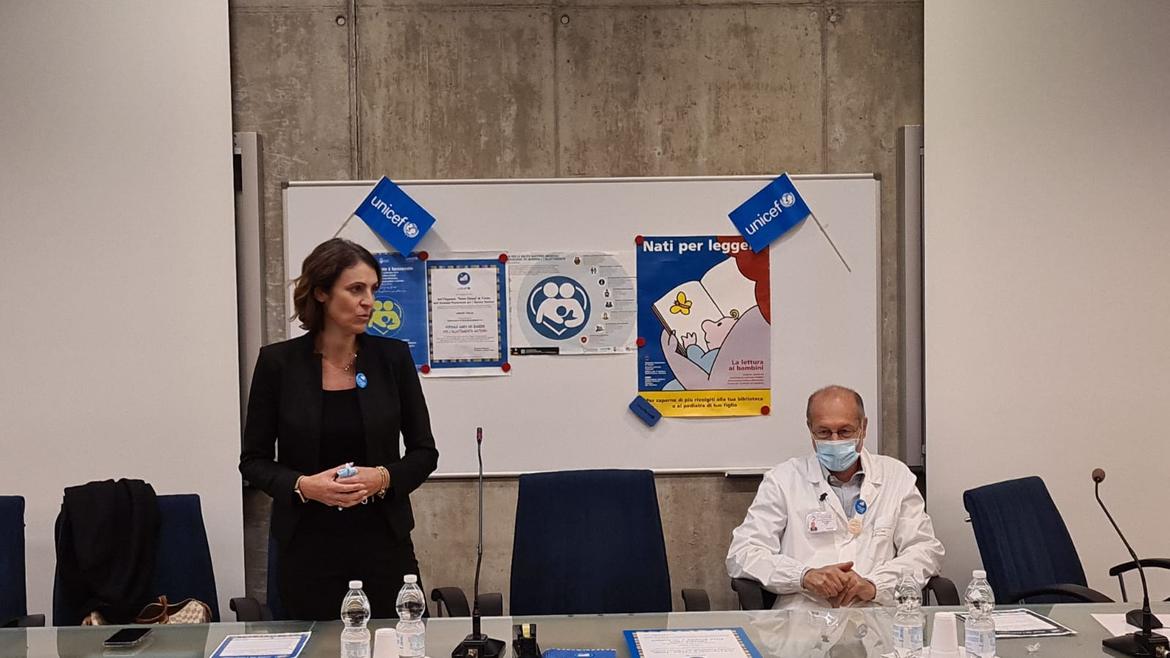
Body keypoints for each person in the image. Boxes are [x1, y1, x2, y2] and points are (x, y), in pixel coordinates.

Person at [240, 238, 439, 620]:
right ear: (321, 292)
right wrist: (304, 486)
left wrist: (382, 478)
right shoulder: (278, 364)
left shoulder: (392, 358)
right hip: (307, 548)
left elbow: (424, 453)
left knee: (401, 642)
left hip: (384, 543)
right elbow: (253, 461)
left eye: (373, 290)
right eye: (356, 289)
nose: (369, 301)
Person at [726, 385, 943, 610]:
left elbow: (925, 551)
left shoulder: (895, 476)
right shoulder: (782, 480)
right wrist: (803, 576)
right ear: (810, 429)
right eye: (824, 432)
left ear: (863, 427)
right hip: (803, 614)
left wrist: (875, 584)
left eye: (845, 431)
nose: (835, 440)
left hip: (875, 612)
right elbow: (743, 553)